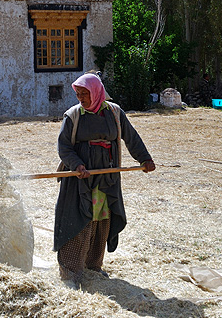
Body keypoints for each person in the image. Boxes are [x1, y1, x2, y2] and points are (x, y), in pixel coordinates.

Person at [54, 73, 156, 284]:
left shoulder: (114, 112)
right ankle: (70, 272)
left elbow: (131, 137)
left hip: (105, 178)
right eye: (78, 94)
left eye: (85, 94)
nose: (81, 98)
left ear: (96, 92)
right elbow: (64, 147)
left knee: (101, 219)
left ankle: (93, 265)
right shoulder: (73, 115)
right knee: (79, 220)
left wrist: (144, 159)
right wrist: (77, 165)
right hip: (79, 180)